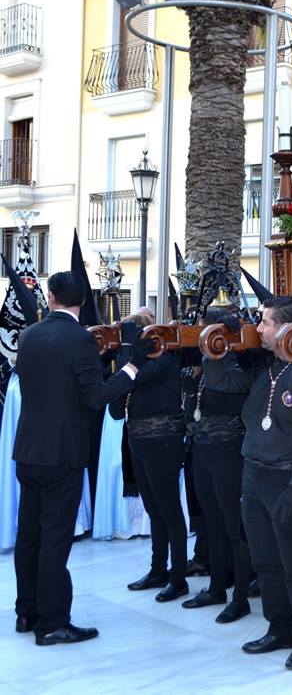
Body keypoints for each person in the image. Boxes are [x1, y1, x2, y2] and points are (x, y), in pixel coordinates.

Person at [14, 271, 152, 645]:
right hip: (62, 455)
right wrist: (132, 365)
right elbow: (97, 397)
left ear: (51, 295)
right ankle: (52, 622)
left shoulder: (29, 335)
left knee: (29, 534)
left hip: (28, 451)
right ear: (82, 300)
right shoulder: (78, 341)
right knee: (55, 539)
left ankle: (26, 612)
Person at [203, 296, 292, 671]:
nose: (259, 329)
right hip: (254, 474)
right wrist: (215, 340)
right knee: (265, 560)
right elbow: (221, 379)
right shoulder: (265, 370)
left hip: (287, 478)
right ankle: (279, 627)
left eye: (266, 323)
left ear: (288, 328)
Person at [181, 308, 255, 623]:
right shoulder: (200, 366)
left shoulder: (238, 367)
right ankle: (216, 586)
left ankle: (240, 596)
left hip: (229, 452)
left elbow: (223, 386)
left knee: (234, 526)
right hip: (202, 449)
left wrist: (216, 355)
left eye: (208, 333)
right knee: (212, 523)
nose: (202, 338)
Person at [117, 312, 190, 603]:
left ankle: (178, 577)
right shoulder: (143, 362)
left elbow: (132, 377)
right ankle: (158, 569)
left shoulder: (165, 360)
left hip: (163, 441)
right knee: (154, 510)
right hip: (138, 440)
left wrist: (127, 349)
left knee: (170, 511)